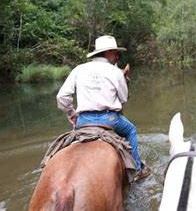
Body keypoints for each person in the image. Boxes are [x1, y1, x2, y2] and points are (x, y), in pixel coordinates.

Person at [56, 35, 151, 181]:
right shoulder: (115, 72)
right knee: (131, 130)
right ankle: (137, 170)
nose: (117, 56)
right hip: (110, 119)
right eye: (115, 52)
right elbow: (124, 99)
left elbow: (62, 97)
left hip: (83, 121)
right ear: (107, 53)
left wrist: (72, 115)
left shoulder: (78, 69)